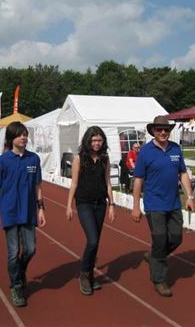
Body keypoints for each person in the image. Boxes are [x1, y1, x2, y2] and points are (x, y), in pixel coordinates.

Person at [131, 115, 195, 297]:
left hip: (174, 203)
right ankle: (159, 279)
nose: (163, 132)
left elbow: (183, 174)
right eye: (159, 129)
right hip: (154, 204)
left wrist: (189, 196)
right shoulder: (145, 151)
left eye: (166, 129)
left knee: (175, 239)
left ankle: (153, 256)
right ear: (153, 131)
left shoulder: (176, 149)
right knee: (160, 239)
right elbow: (138, 180)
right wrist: (136, 206)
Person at [0, 121, 46, 307]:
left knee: (30, 249)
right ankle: (16, 287)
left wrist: (41, 209)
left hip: (29, 212)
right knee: (13, 252)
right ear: (11, 138)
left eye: (25, 134)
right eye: (19, 134)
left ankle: (20, 271)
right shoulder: (2, 161)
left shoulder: (34, 159)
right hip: (10, 212)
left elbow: (38, 185)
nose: (23, 137)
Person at [66, 126, 116, 296]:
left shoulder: (104, 158)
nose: (97, 143)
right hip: (84, 203)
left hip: (100, 204)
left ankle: (89, 273)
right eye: (94, 140)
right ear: (87, 141)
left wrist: (112, 205)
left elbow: (108, 182)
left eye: (100, 140)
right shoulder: (79, 159)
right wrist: (69, 206)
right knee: (92, 240)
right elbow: (74, 183)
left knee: (95, 242)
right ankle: (85, 274)